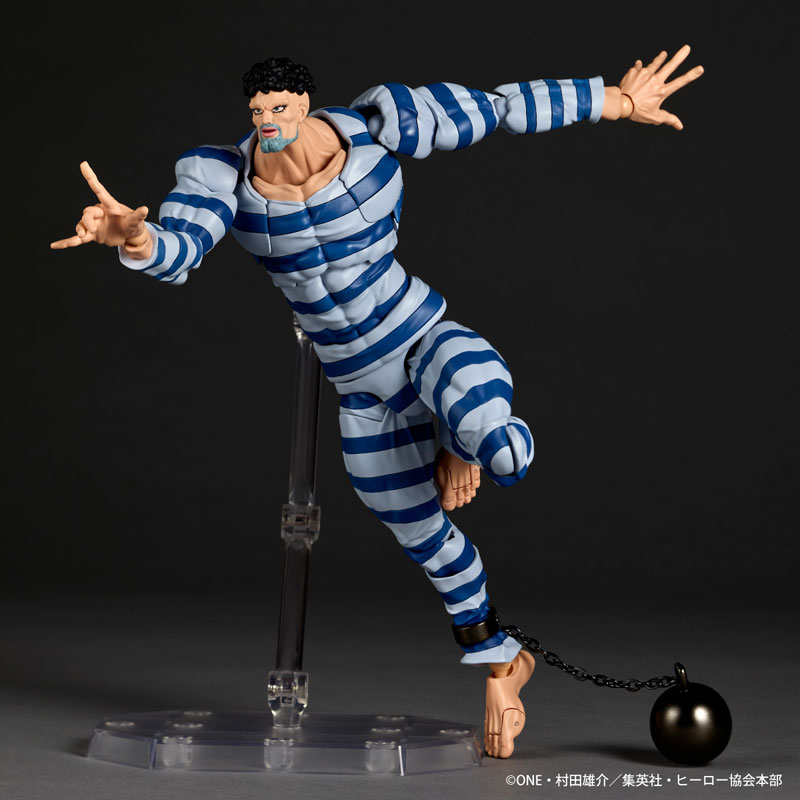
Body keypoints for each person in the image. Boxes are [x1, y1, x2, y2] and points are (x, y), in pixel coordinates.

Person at [51, 50, 703, 758]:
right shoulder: (221, 176)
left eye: (279, 108)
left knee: (502, 450)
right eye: (258, 111)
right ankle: (501, 664)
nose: (268, 121)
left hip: (424, 340)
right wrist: (134, 236)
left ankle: (460, 434)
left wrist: (613, 99)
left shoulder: (382, 123)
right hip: (359, 387)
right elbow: (181, 248)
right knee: (421, 534)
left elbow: (498, 107)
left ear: (304, 103)